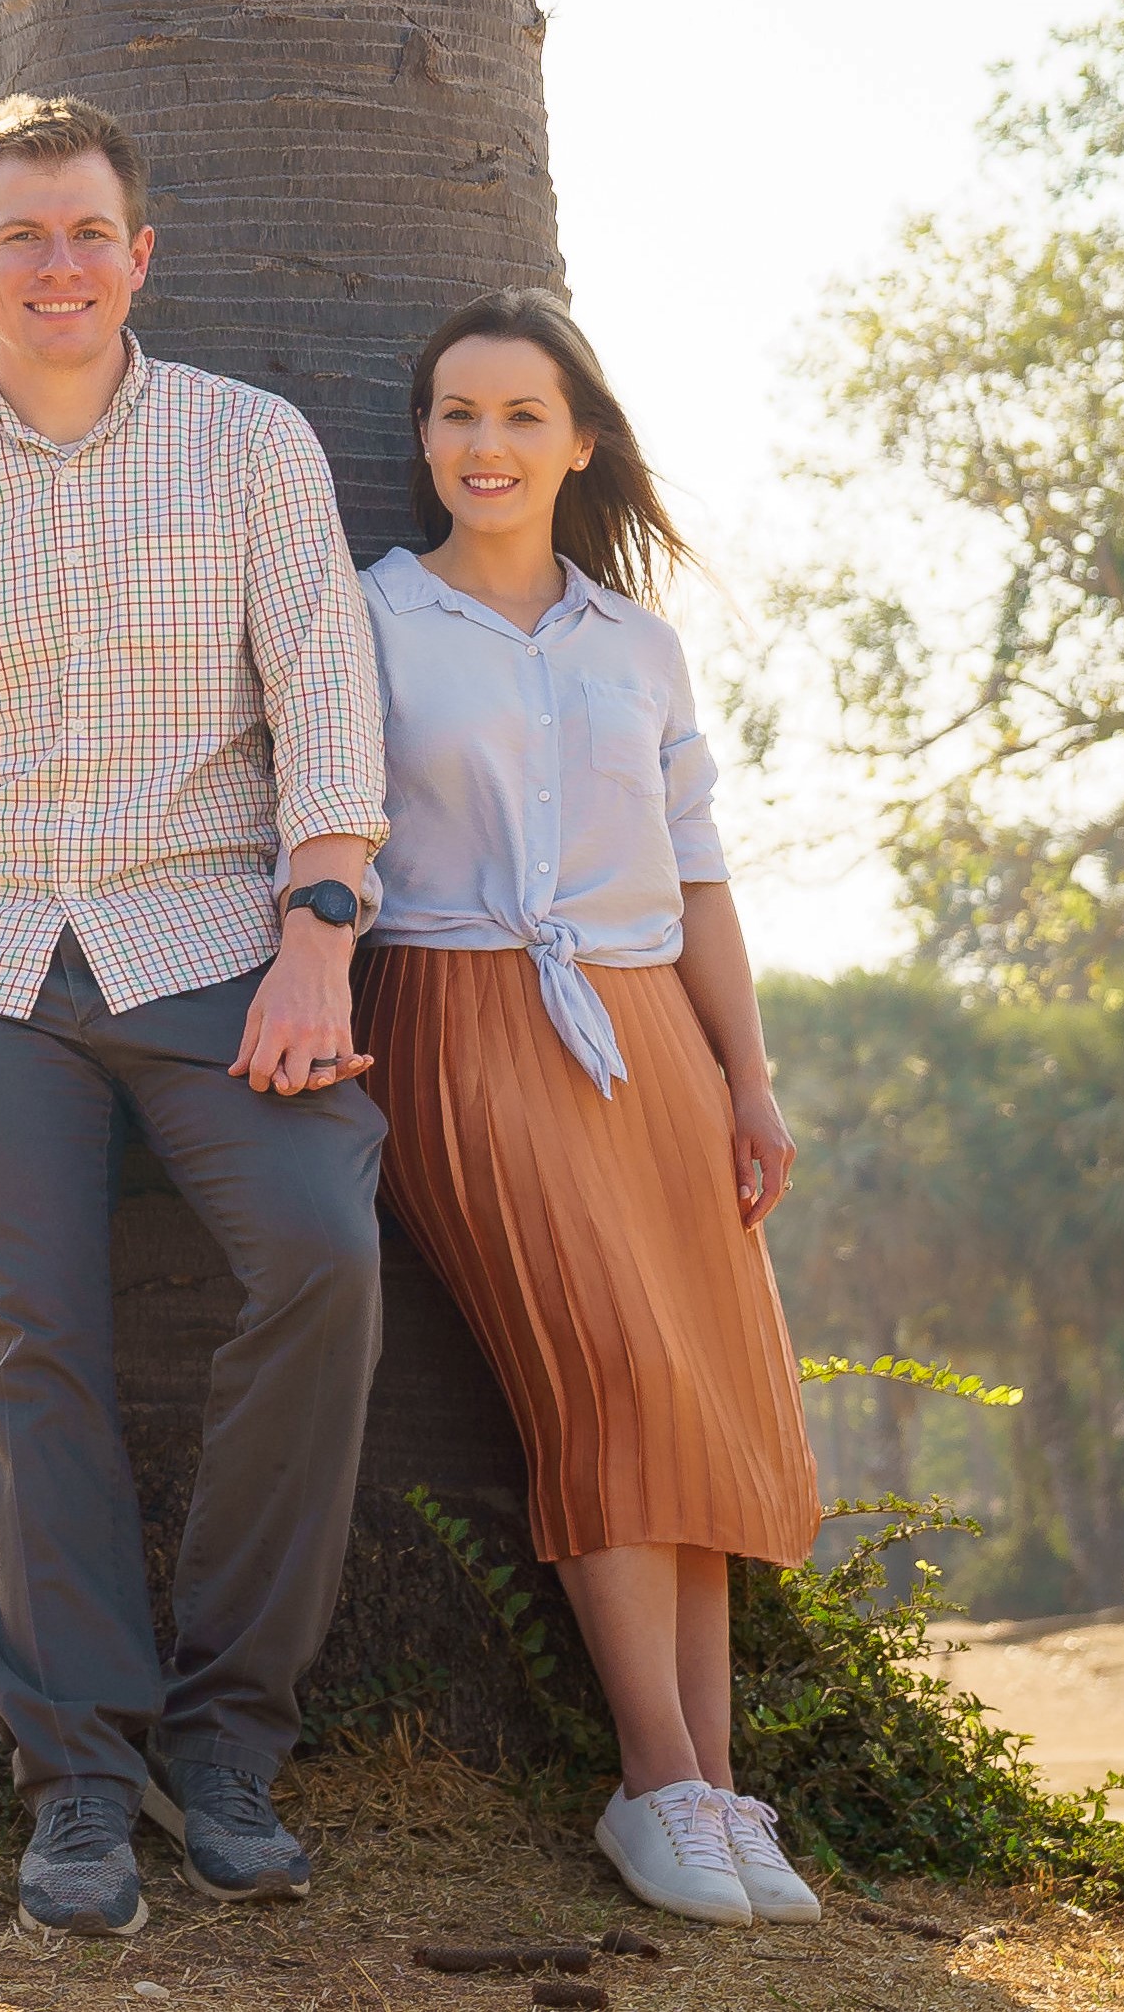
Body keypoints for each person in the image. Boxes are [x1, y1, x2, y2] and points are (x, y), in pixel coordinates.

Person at [0, 93, 391, 1936]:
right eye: (20, 237)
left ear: (140, 254)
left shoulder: (246, 447)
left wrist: (316, 943)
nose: (55, 267)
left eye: (85, 233)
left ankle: (225, 1741)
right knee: (29, 1337)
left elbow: (328, 714)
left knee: (318, 1256)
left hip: (216, 946)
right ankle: (74, 1779)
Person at [356, 290, 821, 1927]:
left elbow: (693, 868)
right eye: (453, 413)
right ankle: (651, 1778)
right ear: (422, 439)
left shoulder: (636, 640)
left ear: (580, 438)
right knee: (610, 1365)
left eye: (515, 414)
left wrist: (745, 1077)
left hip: (649, 1033)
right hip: (462, 1002)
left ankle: (709, 1774)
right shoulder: (372, 617)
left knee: (693, 1386)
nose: (481, 444)